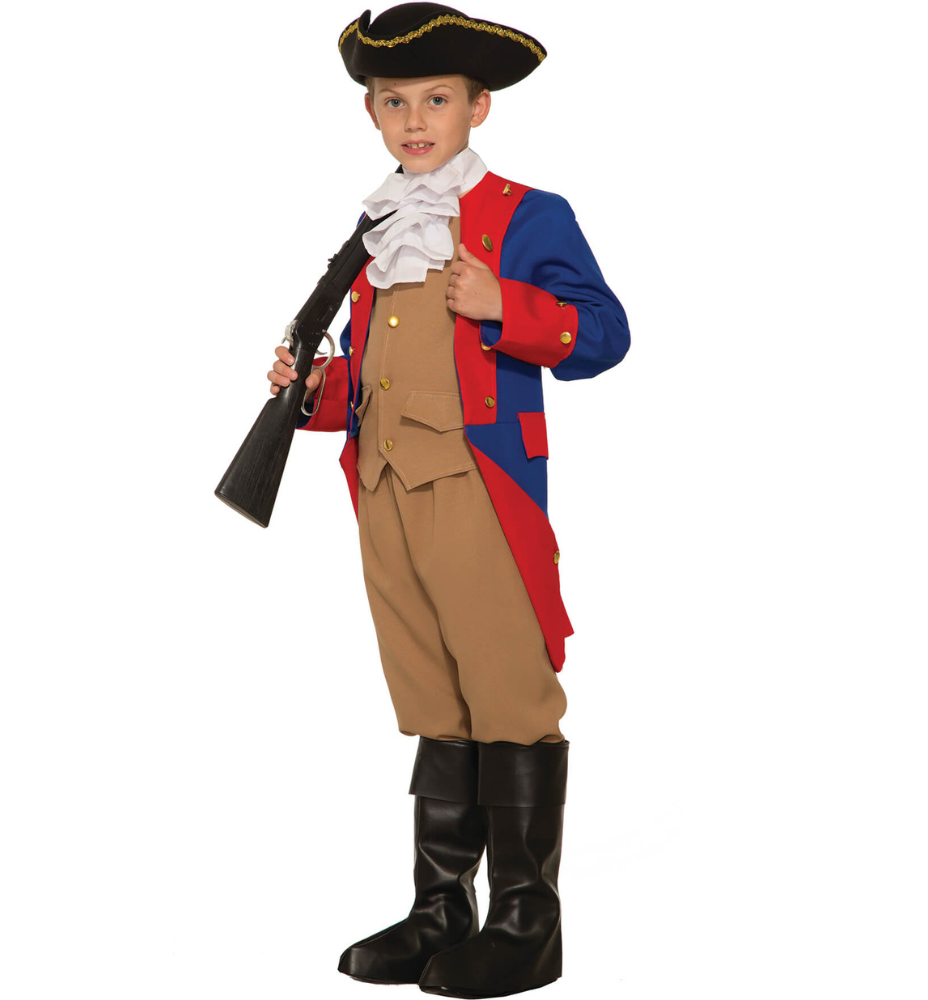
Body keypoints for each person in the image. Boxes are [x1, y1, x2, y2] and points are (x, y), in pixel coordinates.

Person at [265, 5, 630, 996]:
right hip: (382, 491)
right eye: (394, 102)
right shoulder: (375, 228)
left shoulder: (527, 214)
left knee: (508, 692)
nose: (414, 119)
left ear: (479, 106)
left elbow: (603, 335)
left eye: (436, 99)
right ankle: (441, 909)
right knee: (432, 696)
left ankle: (526, 921)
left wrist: (506, 305)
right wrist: (313, 389)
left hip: (477, 489)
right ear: (372, 115)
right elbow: (374, 374)